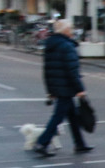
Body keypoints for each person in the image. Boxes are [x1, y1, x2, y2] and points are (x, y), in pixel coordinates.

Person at [34, 20, 91, 156]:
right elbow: (72, 70)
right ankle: (42, 142)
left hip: (58, 87)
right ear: (65, 31)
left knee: (72, 116)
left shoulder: (51, 45)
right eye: (70, 28)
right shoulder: (67, 46)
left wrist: (50, 90)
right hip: (67, 87)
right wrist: (80, 89)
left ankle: (80, 144)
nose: (72, 31)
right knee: (58, 117)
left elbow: (47, 70)